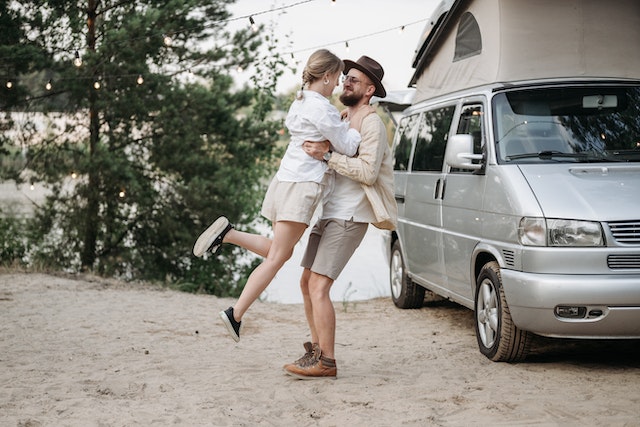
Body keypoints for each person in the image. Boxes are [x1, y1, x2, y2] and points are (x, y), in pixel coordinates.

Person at [192, 49, 373, 342]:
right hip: (302, 187)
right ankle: (235, 314)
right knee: (277, 257)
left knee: (279, 250)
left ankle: (228, 234)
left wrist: (336, 124)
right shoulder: (323, 109)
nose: (339, 84)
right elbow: (350, 146)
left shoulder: (299, 103)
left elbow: (327, 135)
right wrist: (352, 122)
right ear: (326, 76)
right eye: (338, 77)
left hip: (284, 182)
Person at [282, 55, 397, 380]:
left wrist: (328, 155)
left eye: (354, 81)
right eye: (345, 78)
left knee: (319, 285)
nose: (345, 82)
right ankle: (316, 350)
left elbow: (368, 172)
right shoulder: (344, 117)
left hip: (350, 214)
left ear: (369, 89)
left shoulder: (371, 123)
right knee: (306, 282)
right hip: (330, 210)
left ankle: (327, 362)